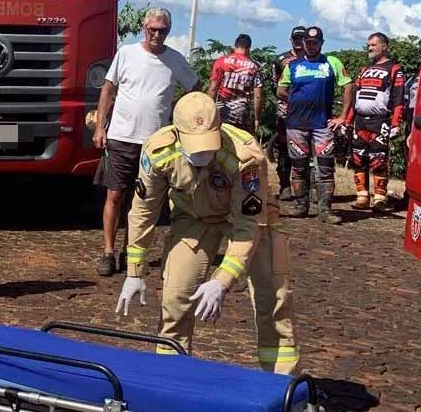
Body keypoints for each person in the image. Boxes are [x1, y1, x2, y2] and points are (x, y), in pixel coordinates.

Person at [113, 92, 299, 374]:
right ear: (176, 133)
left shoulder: (245, 156)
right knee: (175, 297)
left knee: (273, 300)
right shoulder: (158, 151)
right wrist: (134, 271)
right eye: (195, 148)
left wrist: (221, 281)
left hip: (256, 219)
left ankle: (283, 383)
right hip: (195, 217)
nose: (203, 155)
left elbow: (247, 227)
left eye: (208, 146)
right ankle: (171, 376)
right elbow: (143, 211)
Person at [91, 7, 200, 276]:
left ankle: (132, 250)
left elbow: (195, 91)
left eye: (162, 30)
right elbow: (108, 88)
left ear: (168, 31)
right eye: (152, 29)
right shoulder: (127, 53)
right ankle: (107, 252)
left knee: (143, 201)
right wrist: (100, 126)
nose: (156, 34)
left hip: (157, 143)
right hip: (120, 137)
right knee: (114, 195)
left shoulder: (175, 60)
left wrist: (181, 118)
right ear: (144, 27)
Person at [277, 26, 354, 224]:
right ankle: (300, 206)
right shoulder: (292, 65)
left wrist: (343, 117)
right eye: (308, 42)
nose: (311, 46)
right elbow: (281, 90)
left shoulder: (332, 62)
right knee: (299, 165)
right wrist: (296, 101)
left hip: (323, 124)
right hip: (296, 123)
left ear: (321, 43)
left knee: (326, 166)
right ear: (303, 43)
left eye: (315, 42)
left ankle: (325, 210)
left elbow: (348, 86)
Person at [345, 33, 405, 211]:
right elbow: (354, 97)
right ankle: (362, 196)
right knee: (357, 158)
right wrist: (347, 121)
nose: (369, 48)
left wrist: (395, 123)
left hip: (380, 121)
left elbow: (399, 98)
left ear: (384, 46)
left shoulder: (395, 68)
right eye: (368, 45)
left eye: (373, 45)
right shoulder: (364, 69)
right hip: (360, 120)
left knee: (378, 160)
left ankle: (379, 198)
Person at [271, 27, 307, 200]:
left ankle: (305, 186)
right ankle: (284, 185)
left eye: (302, 38)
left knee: (307, 145)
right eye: (296, 38)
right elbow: (273, 84)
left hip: (308, 108)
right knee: (284, 145)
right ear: (291, 39)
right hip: (285, 106)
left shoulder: (313, 59)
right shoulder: (281, 59)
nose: (299, 42)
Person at [207, 33, 264, 134]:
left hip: (221, 111)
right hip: (241, 114)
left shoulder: (221, 61)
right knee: (239, 144)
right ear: (249, 48)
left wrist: (207, 110)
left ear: (235, 46)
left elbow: (213, 88)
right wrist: (257, 118)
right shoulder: (255, 67)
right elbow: (258, 96)